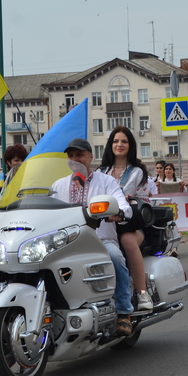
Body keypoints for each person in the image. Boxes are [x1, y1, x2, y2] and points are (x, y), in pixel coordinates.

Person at [52, 138, 135, 335]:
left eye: (79, 155)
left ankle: (124, 312)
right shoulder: (58, 185)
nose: (75, 159)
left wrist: (120, 213)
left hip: (100, 241)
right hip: (67, 243)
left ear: (91, 157)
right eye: (71, 156)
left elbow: (124, 207)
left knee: (115, 257)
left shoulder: (106, 181)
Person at [99, 126, 152, 312]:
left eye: (124, 141)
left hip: (130, 225)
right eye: (115, 141)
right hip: (103, 227)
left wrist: (133, 202)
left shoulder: (138, 172)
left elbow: (146, 204)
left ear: (130, 145)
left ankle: (142, 293)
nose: (119, 145)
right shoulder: (101, 171)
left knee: (128, 241)